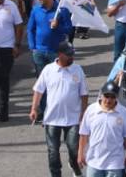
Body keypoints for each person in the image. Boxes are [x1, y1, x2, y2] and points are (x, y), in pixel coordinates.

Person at [31, 42, 89, 177]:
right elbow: (38, 90)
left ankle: (74, 165)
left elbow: (84, 94)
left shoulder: (77, 69)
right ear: (60, 55)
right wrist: (34, 109)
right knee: (53, 151)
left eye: (72, 54)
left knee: (74, 149)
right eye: (68, 55)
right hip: (52, 119)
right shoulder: (48, 70)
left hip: (73, 119)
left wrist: (83, 113)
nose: (71, 57)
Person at [77, 81, 126, 177]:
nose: (108, 100)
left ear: (116, 97)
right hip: (94, 161)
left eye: (112, 97)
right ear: (101, 95)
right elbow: (83, 134)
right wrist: (80, 154)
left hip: (115, 163)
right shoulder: (91, 110)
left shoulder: (123, 112)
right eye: (106, 96)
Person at [27, 0, 74, 79]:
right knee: (41, 81)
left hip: (56, 52)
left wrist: (58, 26)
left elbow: (69, 30)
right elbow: (30, 29)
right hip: (39, 52)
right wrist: (33, 47)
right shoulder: (35, 10)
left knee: (56, 80)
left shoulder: (62, 10)